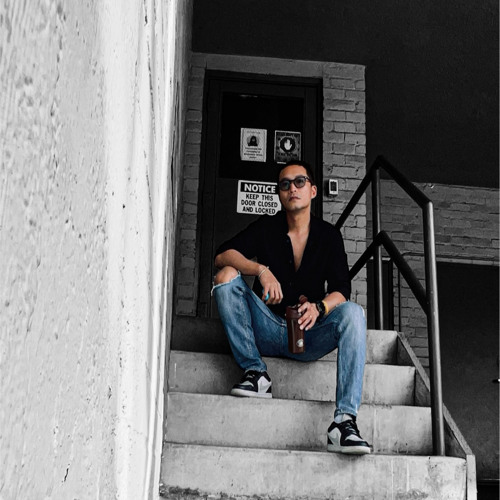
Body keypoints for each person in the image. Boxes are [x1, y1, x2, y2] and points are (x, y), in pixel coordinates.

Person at [212, 160, 371, 455]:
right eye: (285, 184)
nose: (292, 188)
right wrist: (260, 270)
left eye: (299, 182)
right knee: (226, 276)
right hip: (267, 328)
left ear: (313, 190)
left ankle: (344, 422)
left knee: (353, 313)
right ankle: (256, 373)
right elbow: (222, 255)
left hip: (309, 334)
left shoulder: (328, 236)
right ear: (279, 193)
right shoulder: (267, 227)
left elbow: (342, 291)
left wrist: (320, 308)